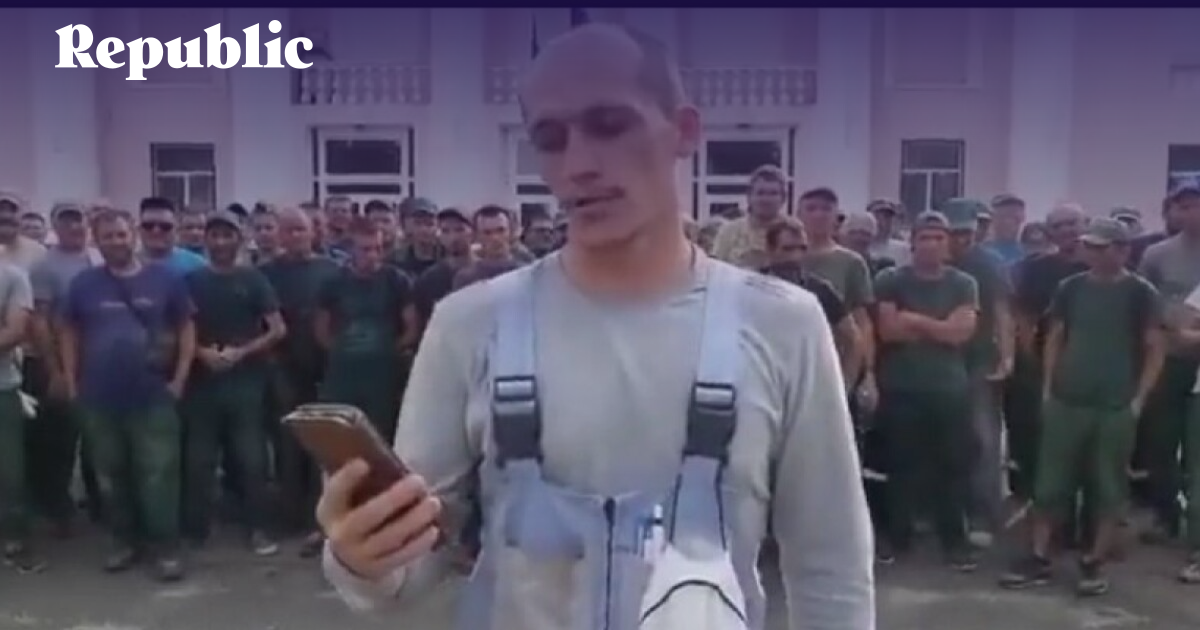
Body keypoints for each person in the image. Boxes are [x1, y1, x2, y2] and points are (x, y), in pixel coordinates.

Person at [318, 23, 873, 630]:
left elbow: (831, 566)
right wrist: (361, 557)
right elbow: (413, 561)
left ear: (684, 131)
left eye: (610, 125)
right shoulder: (469, 324)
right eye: (550, 139)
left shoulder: (783, 324)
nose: (578, 164)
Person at [1000, 218, 1163, 596]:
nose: (1090, 252)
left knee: (1108, 485)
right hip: (1066, 400)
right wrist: (1048, 387)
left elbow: (1156, 346)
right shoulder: (1071, 287)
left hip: (1114, 404)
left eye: (1100, 247)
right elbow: (1056, 336)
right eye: (1090, 246)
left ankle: (1094, 561)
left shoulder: (1140, 292)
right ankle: (1039, 556)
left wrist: (1138, 400)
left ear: (1122, 250)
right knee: (1050, 482)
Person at [61, 209, 195, 581]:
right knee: (111, 474)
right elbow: (68, 332)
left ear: (132, 234)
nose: (116, 242)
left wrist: (180, 378)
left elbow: (186, 327)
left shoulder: (165, 278)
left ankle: (166, 548)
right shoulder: (84, 283)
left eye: (121, 234)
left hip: (153, 395)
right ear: (96, 240)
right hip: (99, 397)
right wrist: (71, 381)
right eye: (107, 236)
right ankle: (123, 542)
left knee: (159, 475)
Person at [873, 211, 980, 570]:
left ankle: (955, 542)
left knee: (953, 467)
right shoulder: (890, 279)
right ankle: (897, 538)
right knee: (901, 466)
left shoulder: (964, 283)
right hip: (901, 385)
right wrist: (940, 326)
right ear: (912, 242)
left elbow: (959, 334)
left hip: (949, 387)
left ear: (948, 243)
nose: (932, 244)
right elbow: (889, 331)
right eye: (924, 237)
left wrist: (915, 319)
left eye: (939, 237)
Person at [181, 211, 286, 556]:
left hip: (246, 382)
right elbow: (179, 329)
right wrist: (201, 353)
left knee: (252, 459)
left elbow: (277, 329)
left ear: (239, 239)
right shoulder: (191, 280)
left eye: (228, 235)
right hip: (202, 382)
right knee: (198, 460)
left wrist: (241, 352)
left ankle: (258, 528)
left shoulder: (253, 279)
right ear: (205, 240)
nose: (221, 242)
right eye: (215, 235)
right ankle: (197, 530)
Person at [259, 207, 341, 556]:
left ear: (313, 232)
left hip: (324, 366)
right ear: (279, 235)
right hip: (283, 366)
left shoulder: (331, 270)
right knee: (288, 441)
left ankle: (318, 515)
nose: (294, 236)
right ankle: (289, 513)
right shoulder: (266, 273)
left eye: (301, 230)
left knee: (322, 443)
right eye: (288, 230)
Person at [27, 203, 103, 535]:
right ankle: (58, 510)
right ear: (55, 225)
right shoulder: (45, 266)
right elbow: (39, 321)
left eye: (78, 219)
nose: (74, 226)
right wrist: (54, 369)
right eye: (66, 220)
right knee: (60, 442)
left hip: (97, 363)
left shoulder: (98, 259)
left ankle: (100, 505)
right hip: (61, 362)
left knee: (97, 441)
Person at [943, 198, 1014, 548]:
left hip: (979, 360)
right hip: (938, 360)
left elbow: (1002, 312)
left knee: (983, 438)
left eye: (966, 233)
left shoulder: (987, 263)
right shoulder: (932, 260)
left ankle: (984, 513)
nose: (960, 239)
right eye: (954, 232)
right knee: (943, 437)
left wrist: (1007, 356)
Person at [1136, 183, 1200, 544]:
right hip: (1168, 359)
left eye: (1197, 206)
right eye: (1184, 207)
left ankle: (1196, 517)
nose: (1191, 213)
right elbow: (1143, 301)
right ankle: (1166, 514)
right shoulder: (1158, 254)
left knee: (1196, 447)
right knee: (1160, 440)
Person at [314, 218, 414, 444]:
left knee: (381, 438)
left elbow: (412, 327)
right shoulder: (333, 283)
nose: (373, 255)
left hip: (383, 376)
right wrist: (342, 352)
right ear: (351, 250)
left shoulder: (396, 280)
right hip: (343, 375)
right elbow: (320, 330)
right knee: (341, 438)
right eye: (366, 249)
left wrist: (389, 351)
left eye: (378, 248)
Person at [762, 217, 862, 390]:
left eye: (801, 248)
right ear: (770, 250)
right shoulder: (752, 286)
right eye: (787, 249)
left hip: (806, 382)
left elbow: (852, 338)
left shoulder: (819, 290)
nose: (795, 256)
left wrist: (845, 386)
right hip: (763, 378)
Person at [0, 259, 36, 572]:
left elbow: (14, 332)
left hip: (2, 388)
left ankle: (14, 540)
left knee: (9, 472)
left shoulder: (12, 276)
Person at [711, 164, 789, 269]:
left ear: (783, 198)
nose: (766, 199)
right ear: (749, 197)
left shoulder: (794, 231)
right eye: (760, 193)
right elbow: (715, 269)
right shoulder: (729, 231)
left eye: (773, 193)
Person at [452, 205, 524, 290]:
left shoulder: (525, 273)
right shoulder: (466, 279)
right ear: (476, 236)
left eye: (501, 230)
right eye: (487, 233)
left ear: (511, 232)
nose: (495, 238)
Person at [137, 197, 207, 276]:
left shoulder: (198, 267)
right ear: (139, 229)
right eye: (149, 226)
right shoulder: (127, 265)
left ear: (176, 229)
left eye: (165, 226)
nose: (156, 231)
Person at [981, 194, 1027, 267]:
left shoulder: (1027, 253)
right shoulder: (980, 252)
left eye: (1016, 218)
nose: (1002, 222)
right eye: (1001, 216)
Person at [866, 199, 909, 266]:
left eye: (887, 217)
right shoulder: (859, 247)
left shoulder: (903, 249)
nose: (882, 222)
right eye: (877, 217)